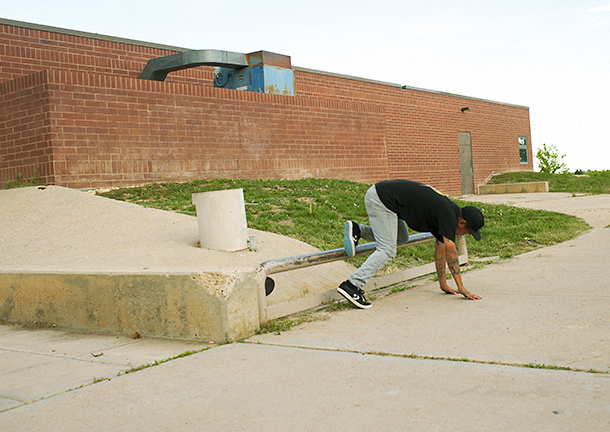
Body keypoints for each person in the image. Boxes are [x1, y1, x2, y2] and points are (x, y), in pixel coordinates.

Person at [337, 179, 485, 309]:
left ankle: (359, 231)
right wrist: (461, 287)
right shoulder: (448, 215)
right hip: (382, 199)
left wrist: (443, 284)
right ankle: (352, 285)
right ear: (462, 222)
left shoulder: (448, 214)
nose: (463, 234)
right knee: (387, 250)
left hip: (390, 202)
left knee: (401, 238)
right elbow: (451, 251)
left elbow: (440, 252)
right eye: (467, 231)